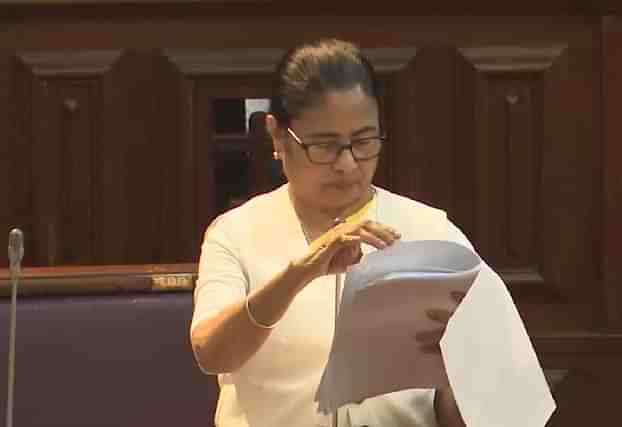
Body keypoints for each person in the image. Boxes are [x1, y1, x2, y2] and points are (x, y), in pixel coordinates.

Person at [190, 38, 468, 427]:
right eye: (324, 146)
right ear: (277, 136)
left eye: (363, 142)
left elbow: (466, 395)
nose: (348, 165)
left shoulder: (433, 232)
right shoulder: (236, 233)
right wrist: (300, 273)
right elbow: (212, 353)